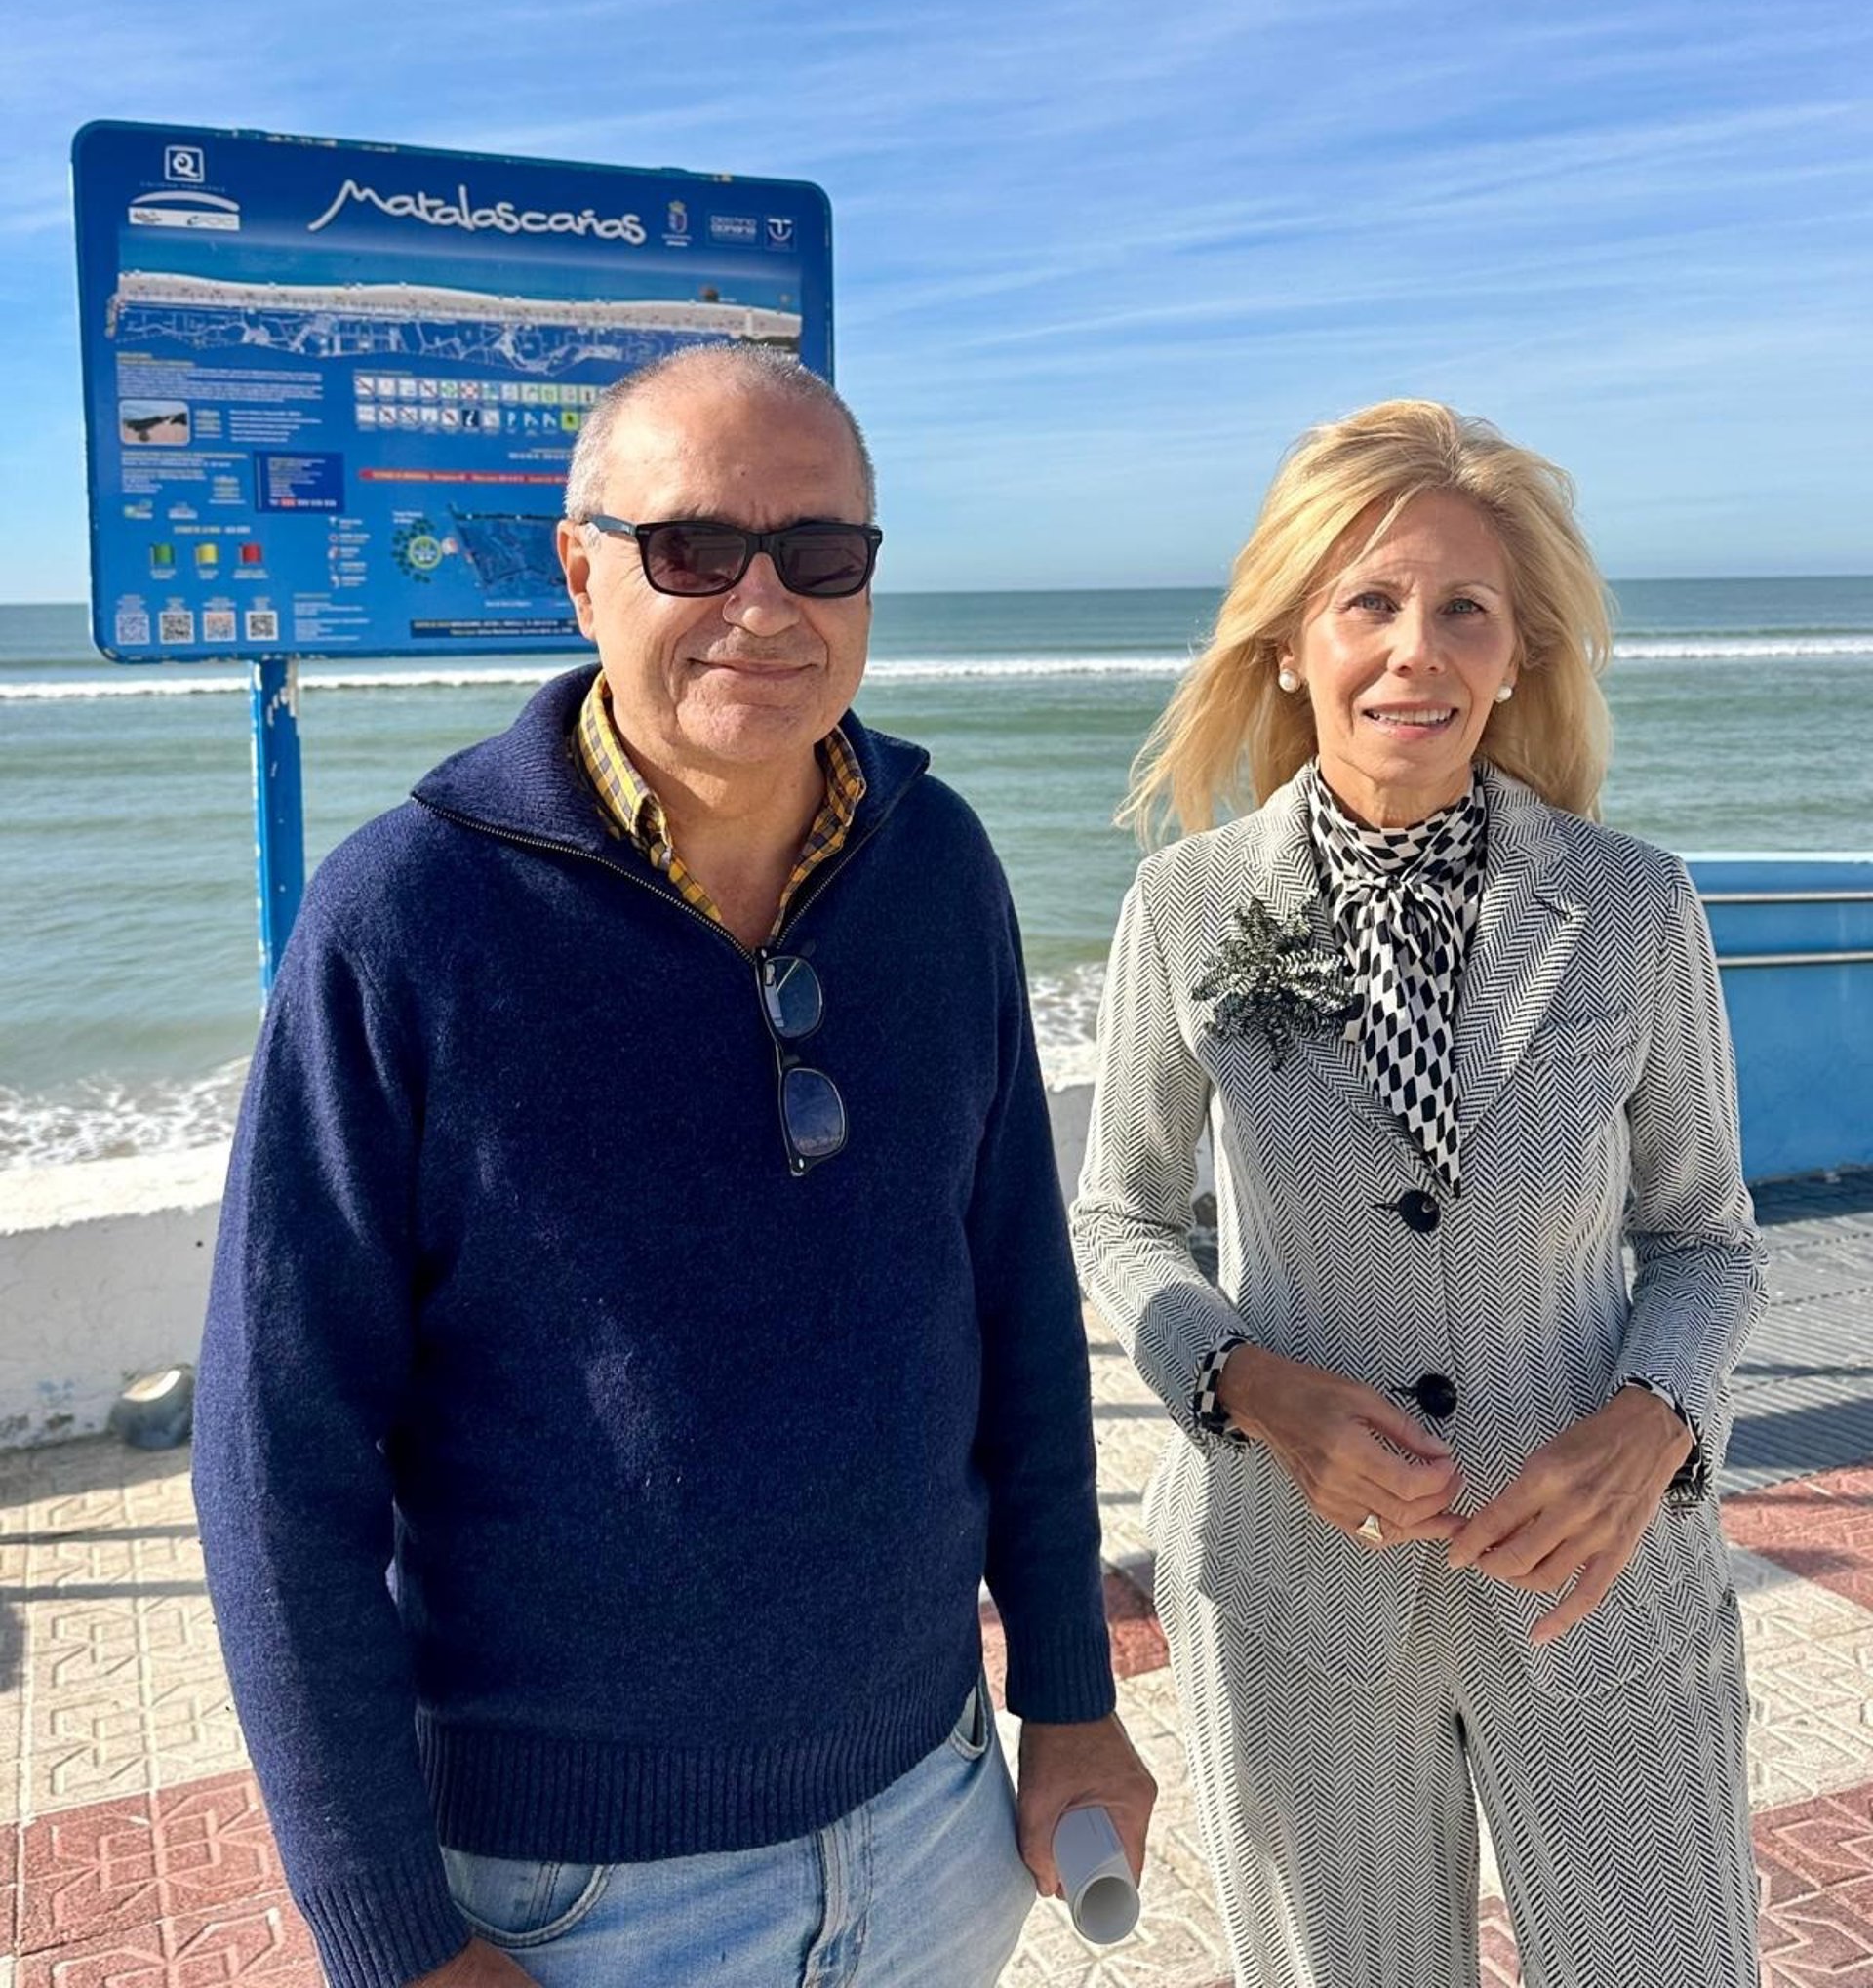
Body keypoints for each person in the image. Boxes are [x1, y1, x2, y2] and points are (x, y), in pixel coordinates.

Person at [194, 343, 1153, 1988]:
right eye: (695, 549)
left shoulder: (937, 865)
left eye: (819, 553)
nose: (762, 605)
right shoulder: (407, 921)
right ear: (581, 573)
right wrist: (395, 1939)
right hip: (573, 1899)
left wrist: (1067, 1688)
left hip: (936, 1822)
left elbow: (1012, 1297)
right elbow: (277, 1458)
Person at [1070, 399, 1764, 1988]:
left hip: (1597, 1581)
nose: (1415, 651)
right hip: (1293, 1599)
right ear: (1290, 644)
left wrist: (1654, 1420)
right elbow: (1121, 1215)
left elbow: (1706, 1242)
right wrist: (1247, 1387)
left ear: (1516, 655)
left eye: (1465, 610)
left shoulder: (1630, 902)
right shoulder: (1186, 905)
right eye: (1367, 603)